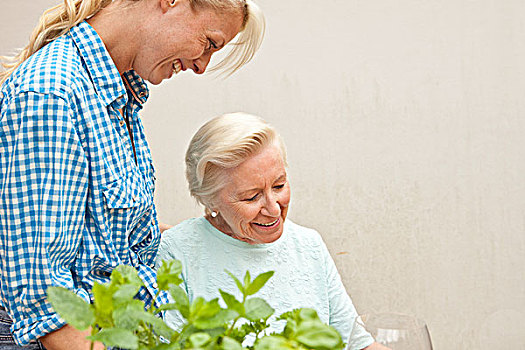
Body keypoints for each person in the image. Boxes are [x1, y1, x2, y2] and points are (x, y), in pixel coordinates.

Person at [0, 0, 264, 348]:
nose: (202, 65)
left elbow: (105, 238)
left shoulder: (116, 93)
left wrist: (213, 232)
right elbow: (50, 306)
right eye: (210, 43)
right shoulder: (52, 95)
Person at [156, 113, 388, 350]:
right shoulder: (177, 251)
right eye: (251, 196)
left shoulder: (308, 245)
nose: (273, 208)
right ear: (210, 199)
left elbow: (358, 344)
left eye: (279, 185)